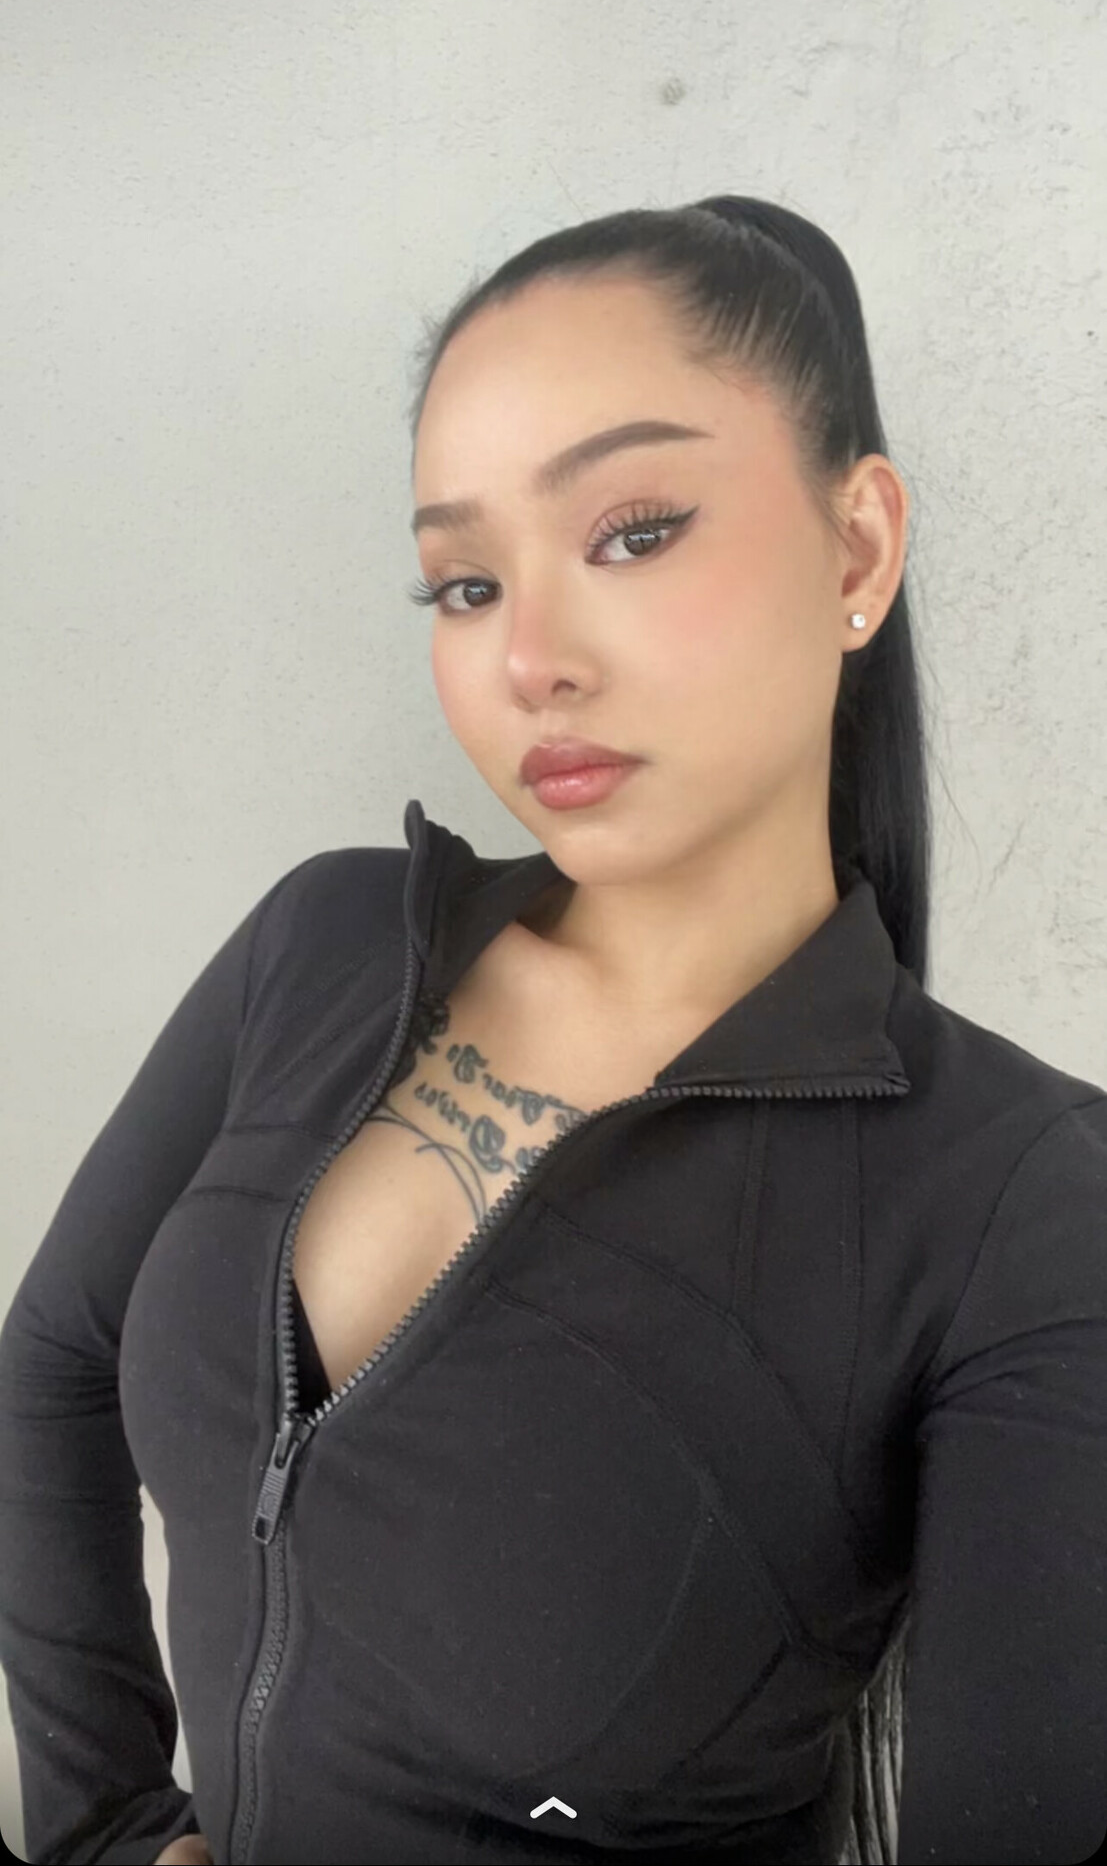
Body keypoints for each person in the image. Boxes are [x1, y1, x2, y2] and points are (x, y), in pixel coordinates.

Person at [2, 198, 1105, 1866]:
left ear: (859, 549)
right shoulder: (321, 948)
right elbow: (52, 1368)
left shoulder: (1025, 1200)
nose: (528, 660)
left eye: (634, 533)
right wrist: (103, 1823)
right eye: (465, 581)